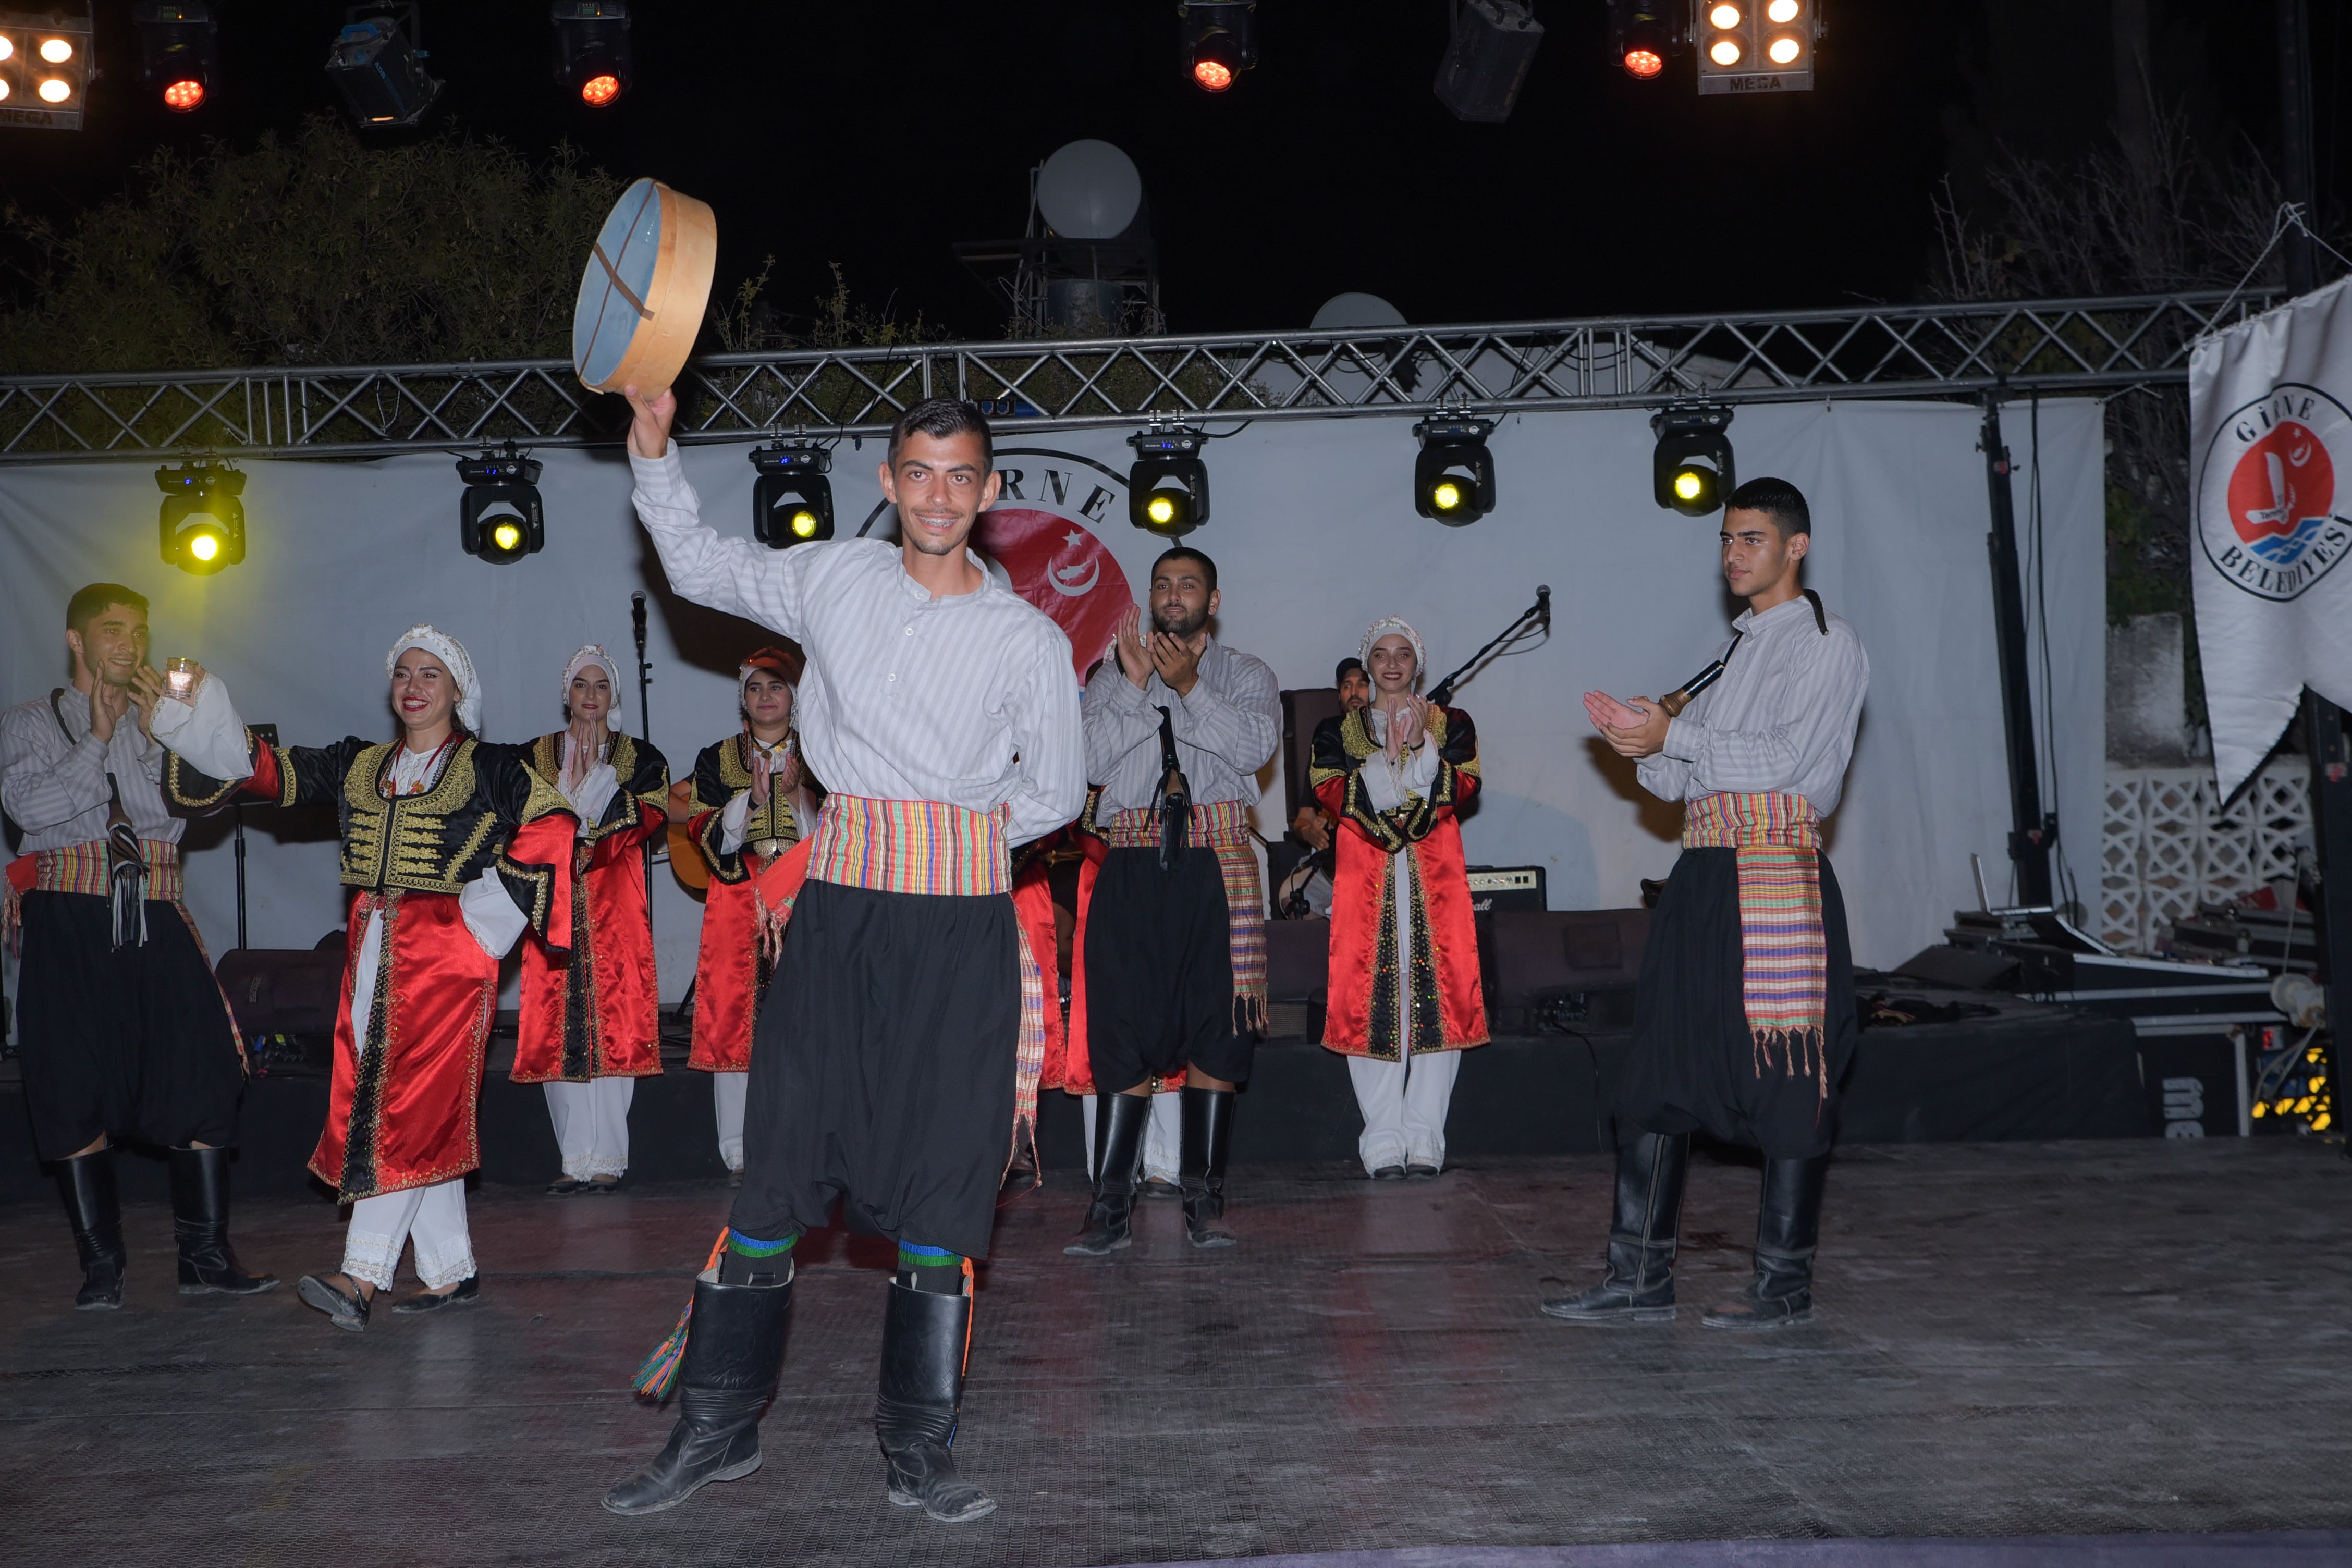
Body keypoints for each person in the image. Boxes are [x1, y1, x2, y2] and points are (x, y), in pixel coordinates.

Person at [603, 390, 1084, 1523]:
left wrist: (944, 840)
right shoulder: (832, 578)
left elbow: (1056, 793)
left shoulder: (1026, 637)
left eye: (960, 476)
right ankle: (716, 1427)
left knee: (947, 1183)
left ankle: (918, 1446)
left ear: (989, 492)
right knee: (778, 1163)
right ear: (887, 480)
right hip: (839, 921)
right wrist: (655, 452)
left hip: (958, 931)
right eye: (919, 472)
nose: (938, 496)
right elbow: (699, 564)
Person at [155, 627, 576, 1331]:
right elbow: (268, 770)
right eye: (404, 673)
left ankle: (362, 1273)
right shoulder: (361, 764)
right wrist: (197, 706)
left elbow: (555, 822)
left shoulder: (490, 766)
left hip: (447, 957)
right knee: (410, 1101)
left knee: (403, 1102)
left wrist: (484, 916)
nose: (414, 686)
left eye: (431, 674)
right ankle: (449, 1269)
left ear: (458, 690)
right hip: (373, 944)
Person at [1541, 476, 1867, 1331]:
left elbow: (1785, 758)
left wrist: (1676, 735)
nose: (1733, 553)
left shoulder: (1828, 643)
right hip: (1706, 872)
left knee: (1785, 1069)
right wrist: (1642, 743)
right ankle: (1638, 1277)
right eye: (1726, 538)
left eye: (1751, 538)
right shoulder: (1733, 654)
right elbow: (1686, 778)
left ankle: (1783, 1283)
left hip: (1775, 872)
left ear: (1796, 546)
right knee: (1658, 1067)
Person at [0, 584, 272, 1310]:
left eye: (140, 632)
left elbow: (177, 816)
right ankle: (102, 1266)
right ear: (77, 640)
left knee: (205, 1068)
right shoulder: (27, 721)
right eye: (113, 630)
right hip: (68, 915)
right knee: (70, 1080)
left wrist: (157, 738)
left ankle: (204, 1258)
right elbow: (30, 809)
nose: (130, 645)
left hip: (154, 907)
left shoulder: (161, 724)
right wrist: (95, 741)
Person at [1065, 546, 1279, 1256]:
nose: (1174, 594)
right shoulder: (1112, 673)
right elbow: (1087, 764)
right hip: (1130, 862)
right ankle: (1110, 1207)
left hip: (1217, 863)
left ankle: (1204, 1202)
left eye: (1189, 584)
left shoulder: (1245, 673)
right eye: (1163, 584)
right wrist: (1135, 687)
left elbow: (1252, 749)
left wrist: (1189, 688)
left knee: (1221, 1023)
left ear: (1213, 602)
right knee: (1121, 1024)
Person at [1310, 619, 1488, 1179]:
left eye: (1403, 653)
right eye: (1382, 654)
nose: (1392, 663)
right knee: (1371, 997)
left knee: (1440, 996)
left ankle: (1426, 1134)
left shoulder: (1451, 723)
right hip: (1368, 874)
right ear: (1367, 663)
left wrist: (1416, 750)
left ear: (1419, 663)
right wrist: (1387, 770)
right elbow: (1331, 791)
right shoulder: (1336, 731)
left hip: (1434, 874)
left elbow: (1464, 784)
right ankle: (1383, 1138)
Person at [510, 646, 669, 1194]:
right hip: (554, 901)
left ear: (614, 694)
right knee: (557, 1021)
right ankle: (574, 1156)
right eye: (582, 684)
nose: (592, 695)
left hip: (613, 901)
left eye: (602, 686)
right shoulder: (534, 756)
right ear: (567, 693)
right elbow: (521, 820)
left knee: (614, 1020)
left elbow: (646, 816)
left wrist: (592, 792)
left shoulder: (640, 758)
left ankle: (609, 1158)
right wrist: (565, 806)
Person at [683, 645, 820, 1181]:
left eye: (776, 686)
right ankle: (740, 1147)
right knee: (734, 1021)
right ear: (743, 698)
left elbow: (839, 828)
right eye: (755, 687)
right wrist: (754, 803)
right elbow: (702, 827)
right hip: (738, 901)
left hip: (804, 903)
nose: (766, 697)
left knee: (806, 1019)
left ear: (794, 695)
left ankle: (801, 1137)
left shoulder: (823, 751)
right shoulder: (716, 758)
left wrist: (798, 795)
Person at [1280, 656, 1371, 917]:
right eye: (1346, 686)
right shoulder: (1327, 745)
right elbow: (1303, 819)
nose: (1354, 692)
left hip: (1374, 868)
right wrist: (1309, 833)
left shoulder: (1387, 739)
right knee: (1291, 895)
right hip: (1333, 870)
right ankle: (1327, 943)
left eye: (1362, 684)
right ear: (1339, 698)